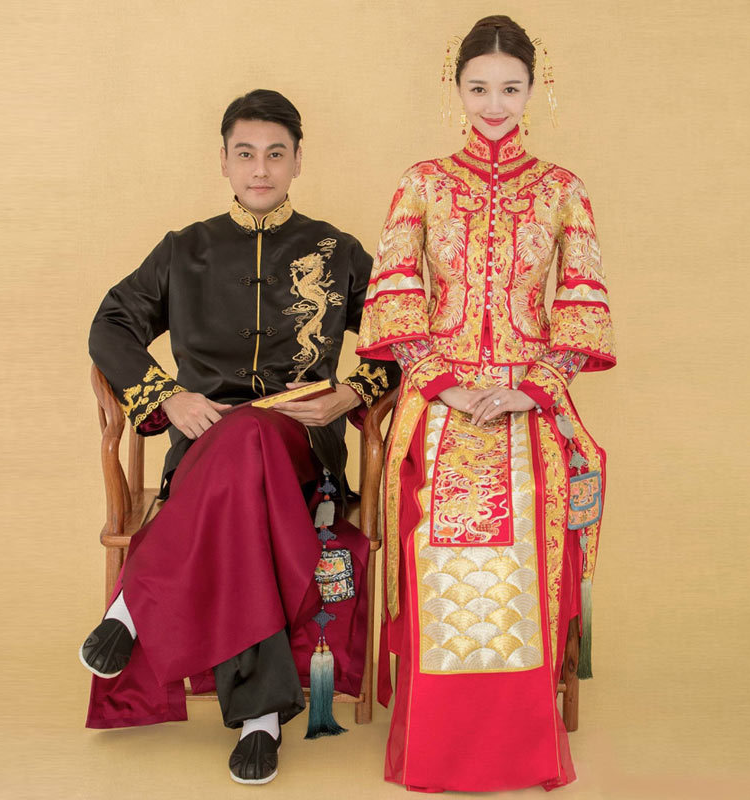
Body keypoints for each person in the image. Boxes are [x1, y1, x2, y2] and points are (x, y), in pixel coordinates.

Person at [80, 89, 399, 786]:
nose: (260, 169)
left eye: (275, 154)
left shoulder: (337, 251)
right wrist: (168, 396)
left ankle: (136, 603)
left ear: (297, 162)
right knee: (239, 478)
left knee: (253, 430)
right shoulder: (183, 250)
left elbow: (404, 337)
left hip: (300, 445)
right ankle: (260, 719)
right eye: (246, 153)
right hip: (204, 446)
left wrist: (351, 392)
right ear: (223, 161)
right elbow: (111, 325)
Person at [356, 16, 616, 792]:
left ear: (535, 89)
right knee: (435, 532)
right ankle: (437, 743)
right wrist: (447, 384)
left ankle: (519, 742)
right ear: (457, 89)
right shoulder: (422, 183)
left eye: (509, 88)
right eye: (479, 88)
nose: (494, 104)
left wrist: (528, 389)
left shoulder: (563, 190)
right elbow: (395, 297)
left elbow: (581, 306)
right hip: (440, 396)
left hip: (528, 399)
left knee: (535, 516)